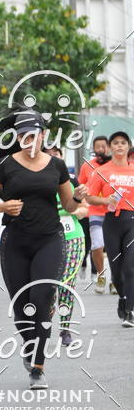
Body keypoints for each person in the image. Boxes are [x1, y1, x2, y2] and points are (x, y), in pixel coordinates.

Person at [0, 109, 86, 389]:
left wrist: (76, 196)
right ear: (18, 137)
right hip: (15, 242)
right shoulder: (6, 166)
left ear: (43, 135)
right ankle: (30, 346)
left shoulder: (56, 166)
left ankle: (37, 367)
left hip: (49, 239)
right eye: (23, 136)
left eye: (34, 135)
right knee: (22, 306)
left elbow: (71, 207)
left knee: (43, 297)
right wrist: (3, 206)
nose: (29, 140)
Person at [86, 131, 134, 326]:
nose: (120, 146)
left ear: (129, 146)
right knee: (116, 268)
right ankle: (123, 298)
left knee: (130, 266)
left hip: (132, 220)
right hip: (111, 222)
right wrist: (106, 200)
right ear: (110, 147)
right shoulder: (102, 171)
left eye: (123, 142)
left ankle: (130, 309)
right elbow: (89, 197)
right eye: (116, 143)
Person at [47, 145, 88, 345]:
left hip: (73, 238)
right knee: (47, 286)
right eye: (49, 154)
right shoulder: (37, 181)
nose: (53, 157)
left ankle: (65, 329)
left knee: (66, 284)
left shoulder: (71, 181)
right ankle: (44, 324)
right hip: (46, 239)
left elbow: (83, 209)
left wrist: (72, 211)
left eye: (56, 154)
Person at [78, 136, 111, 293]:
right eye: (98, 146)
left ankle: (116, 279)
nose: (101, 149)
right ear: (93, 148)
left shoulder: (116, 166)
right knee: (97, 245)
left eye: (104, 146)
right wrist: (83, 199)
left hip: (115, 213)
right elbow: (80, 185)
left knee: (115, 248)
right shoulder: (87, 166)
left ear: (109, 148)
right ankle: (101, 274)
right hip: (95, 212)